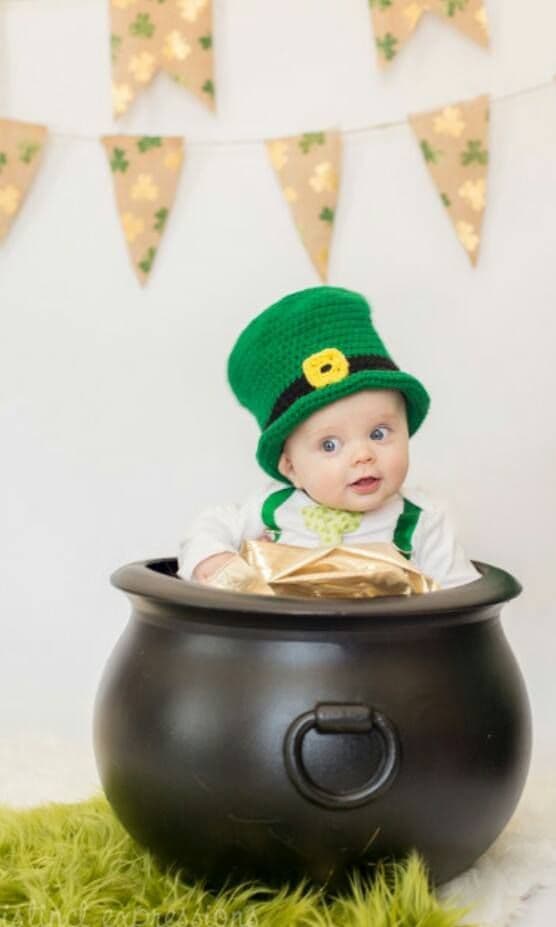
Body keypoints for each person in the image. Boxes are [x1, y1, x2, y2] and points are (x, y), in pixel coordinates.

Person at [178, 286, 481, 590]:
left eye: (378, 434)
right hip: (280, 637)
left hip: (390, 638)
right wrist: (215, 561)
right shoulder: (271, 508)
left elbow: (465, 604)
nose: (363, 455)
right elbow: (208, 528)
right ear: (291, 468)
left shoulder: (422, 521)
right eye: (330, 445)